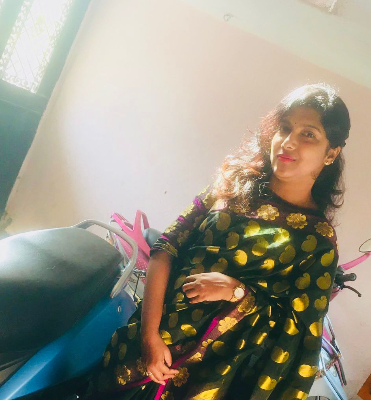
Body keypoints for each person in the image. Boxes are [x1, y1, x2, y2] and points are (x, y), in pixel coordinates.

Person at [93, 83, 350, 400]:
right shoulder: (230, 184)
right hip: (145, 349)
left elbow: (299, 337)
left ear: (331, 153)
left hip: (212, 380)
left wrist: (238, 292)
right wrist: (149, 337)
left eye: (308, 134)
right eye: (285, 128)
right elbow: (166, 248)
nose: (288, 141)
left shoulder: (316, 241)